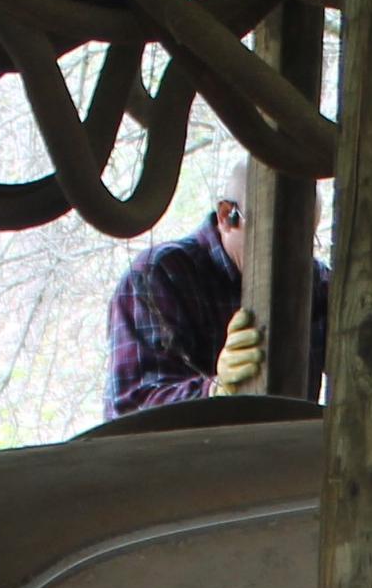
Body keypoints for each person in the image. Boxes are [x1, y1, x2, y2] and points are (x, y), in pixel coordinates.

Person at [105, 177, 329, 419]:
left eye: (304, 241)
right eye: (276, 237)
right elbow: (131, 410)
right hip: (187, 455)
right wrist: (215, 390)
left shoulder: (318, 284)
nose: (289, 259)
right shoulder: (158, 275)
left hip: (285, 451)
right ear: (226, 216)